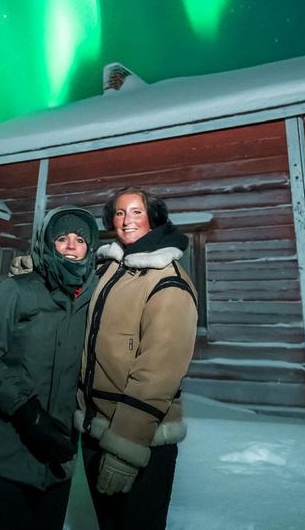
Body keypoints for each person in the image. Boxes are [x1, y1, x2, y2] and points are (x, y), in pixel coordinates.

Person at [0, 205, 99, 530]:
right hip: (0, 458)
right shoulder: (17, 290)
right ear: (49, 244)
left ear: (90, 247)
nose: (71, 245)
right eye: (62, 238)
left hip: (56, 466)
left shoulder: (95, 299)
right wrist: (25, 410)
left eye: (80, 239)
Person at [76, 188, 198, 530]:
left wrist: (124, 450)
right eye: (118, 213)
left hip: (139, 442)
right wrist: (33, 273)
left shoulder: (168, 282)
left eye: (135, 212)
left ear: (153, 217)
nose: (126, 220)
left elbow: (156, 376)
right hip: (96, 431)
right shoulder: (109, 269)